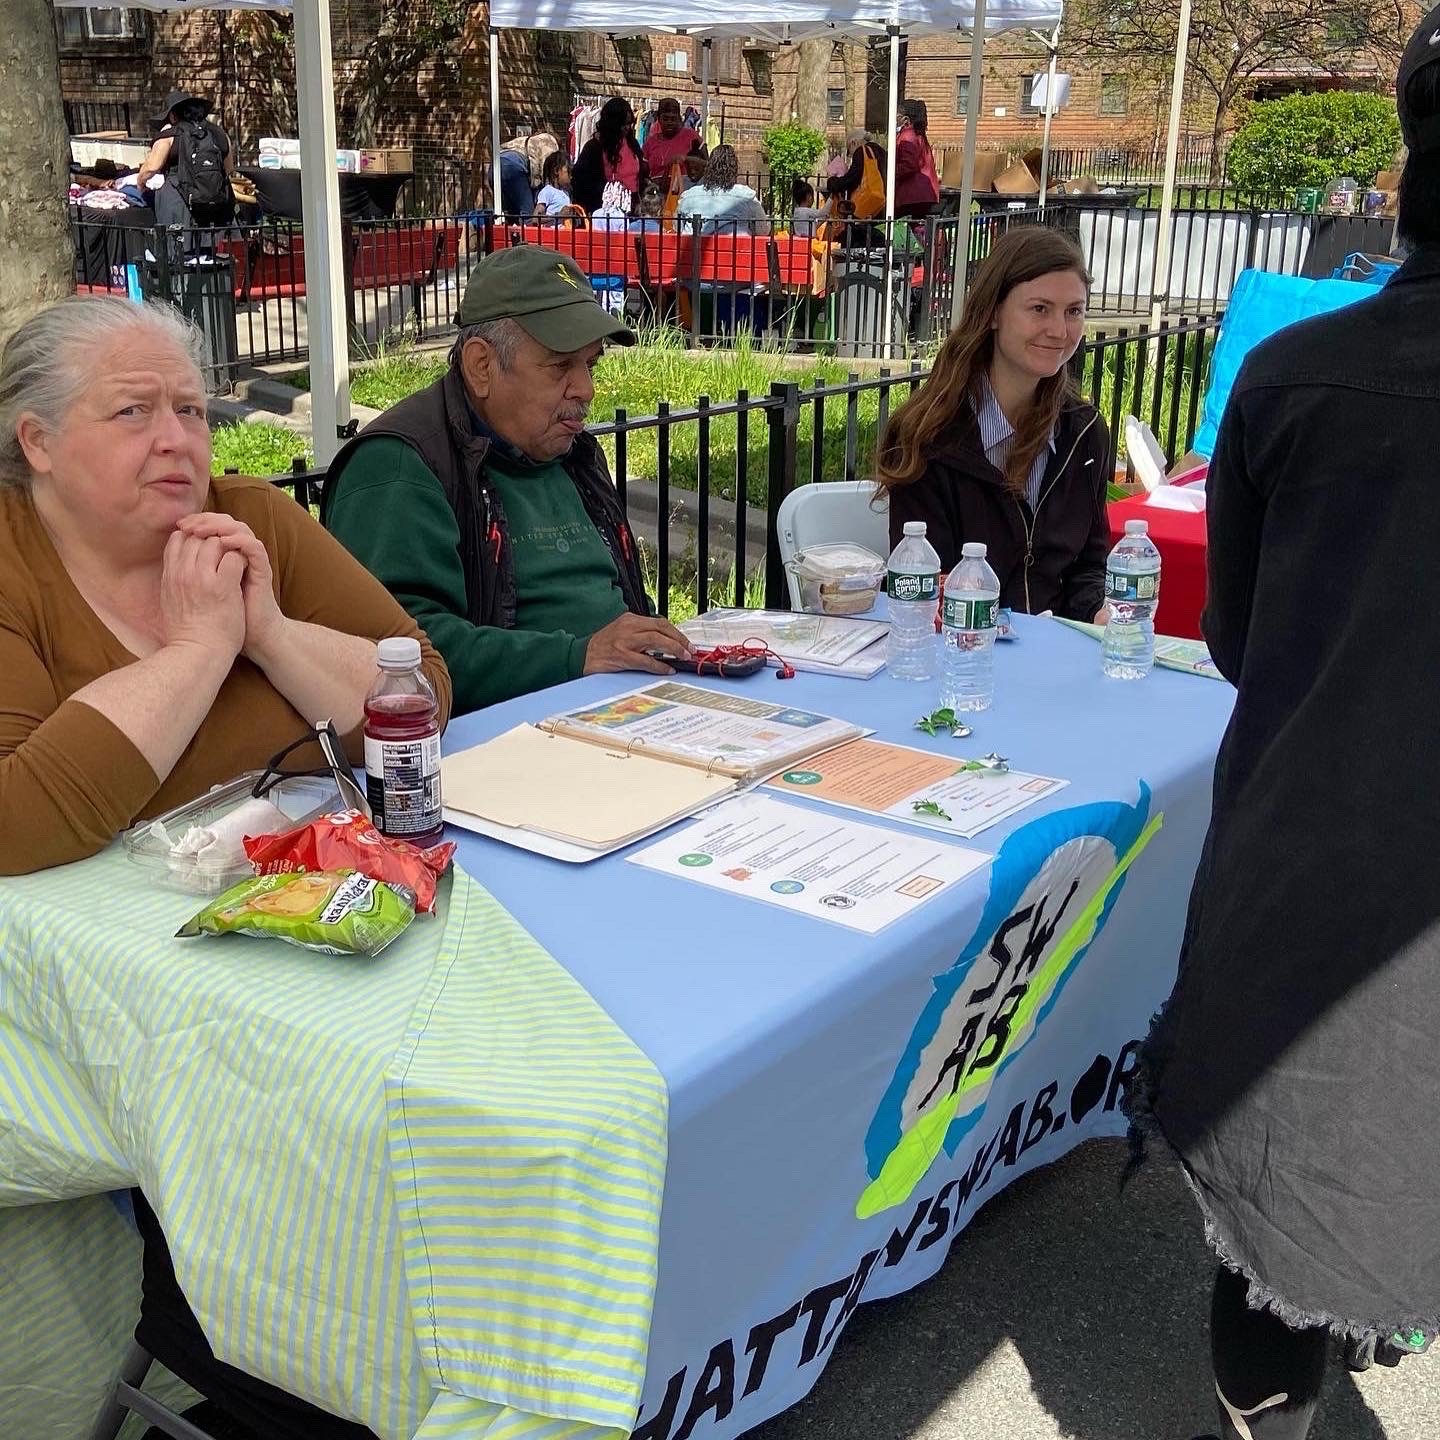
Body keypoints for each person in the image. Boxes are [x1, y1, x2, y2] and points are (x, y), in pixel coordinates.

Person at [0, 295, 451, 1438]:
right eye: (133, 412)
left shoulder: (248, 520)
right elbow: (15, 821)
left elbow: (421, 694)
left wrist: (268, 632)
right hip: (117, 1002)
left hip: (320, 938)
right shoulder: (9, 565)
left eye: (194, 411)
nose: (180, 443)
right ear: (36, 442)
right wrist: (200, 648)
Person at [1132, 13, 1440, 1439]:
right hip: (1345, 889)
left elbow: (1243, 640)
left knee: (1284, 1219)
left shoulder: (1297, 377)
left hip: (1310, 884)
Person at [321, 246, 692, 717]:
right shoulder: (398, 467)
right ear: (481, 366)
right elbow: (394, 653)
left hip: (623, 714)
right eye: (560, 366)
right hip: (498, 745)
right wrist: (578, 657)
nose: (585, 389)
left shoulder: (572, 452)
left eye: (590, 364)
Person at [875, 227, 1110, 623]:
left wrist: (1100, 612)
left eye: (1074, 311)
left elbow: (1089, 566)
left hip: (1059, 660)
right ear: (994, 313)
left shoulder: (1084, 433)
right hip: (963, 658)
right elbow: (923, 584)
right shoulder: (929, 435)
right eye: (1040, 309)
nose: (1059, 330)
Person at [135, 90, 235, 227]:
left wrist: (140, 183)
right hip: (218, 205)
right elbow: (229, 169)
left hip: (178, 202)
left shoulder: (168, 136)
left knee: (178, 246)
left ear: (172, 115)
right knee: (216, 248)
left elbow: (151, 168)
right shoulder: (220, 134)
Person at [571, 97, 646, 215]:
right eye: (623, 124)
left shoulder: (632, 143)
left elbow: (640, 172)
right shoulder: (594, 147)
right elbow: (581, 181)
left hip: (632, 207)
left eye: (629, 123)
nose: (627, 128)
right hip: (605, 211)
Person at [674, 145, 770, 237]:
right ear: (734, 169)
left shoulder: (688, 196)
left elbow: (676, 227)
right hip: (734, 251)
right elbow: (763, 230)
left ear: (709, 169)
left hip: (694, 252)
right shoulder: (746, 196)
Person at [825, 128, 887, 220]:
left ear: (854, 143)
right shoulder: (881, 152)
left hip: (865, 204)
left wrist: (833, 182)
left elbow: (852, 178)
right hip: (881, 205)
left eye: (849, 149)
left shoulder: (861, 151)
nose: (850, 155)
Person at [894, 99, 939, 220]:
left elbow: (909, 165)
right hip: (923, 193)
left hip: (912, 194)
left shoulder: (907, 137)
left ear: (905, 119)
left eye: (896, 115)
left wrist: (890, 173)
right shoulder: (919, 135)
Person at [642, 96, 706, 179]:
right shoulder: (650, 142)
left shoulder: (691, 136)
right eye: (665, 119)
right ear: (658, 119)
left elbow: (708, 164)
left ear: (679, 119)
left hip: (686, 189)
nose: (669, 122)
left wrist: (686, 159)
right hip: (658, 189)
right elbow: (643, 173)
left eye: (673, 119)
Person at [499, 145, 534, 217]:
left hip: (495, 165)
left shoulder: (521, 142)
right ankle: (527, 223)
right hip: (513, 166)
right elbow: (537, 174)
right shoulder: (544, 142)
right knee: (527, 211)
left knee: (508, 210)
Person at [534, 151, 572, 216]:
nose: (571, 176)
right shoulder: (547, 191)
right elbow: (536, 218)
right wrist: (558, 216)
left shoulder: (566, 193)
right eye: (568, 172)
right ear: (556, 171)